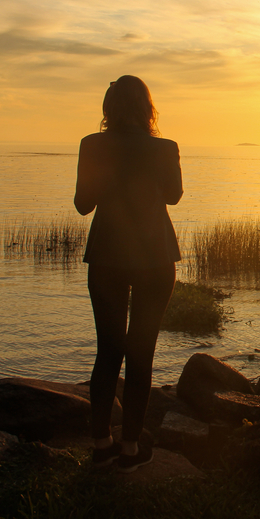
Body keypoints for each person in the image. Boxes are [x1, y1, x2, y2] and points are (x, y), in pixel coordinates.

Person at [74, 75, 183, 472]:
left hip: (106, 258)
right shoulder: (164, 148)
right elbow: (173, 195)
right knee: (141, 355)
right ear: (147, 108)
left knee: (108, 352)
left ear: (108, 108)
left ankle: (101, 443)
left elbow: (82, 204)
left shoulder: (93, 145)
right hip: (155, 259)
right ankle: (131, 449)